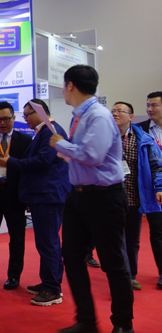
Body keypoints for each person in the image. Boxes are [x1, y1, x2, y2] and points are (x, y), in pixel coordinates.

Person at [50, 65, 134, 333]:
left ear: (70, 86)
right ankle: (86, 320)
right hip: (78, 196)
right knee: (72, 256)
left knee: (112, 262)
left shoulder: (97, 115)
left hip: (104, 197)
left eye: (63, 86)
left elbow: (92, 155)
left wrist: (60, 144)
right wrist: (68, 151)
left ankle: (123, 324)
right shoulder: (81, 115)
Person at [0, 99, 70, 306]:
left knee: (48, 242)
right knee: (46, 242)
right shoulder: (43, 131)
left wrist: (10, 162)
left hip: (48, 195)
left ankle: (52, 289)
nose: (25, 119)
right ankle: (48, 282)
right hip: (42, 195)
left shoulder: (51, 131)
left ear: (40, 112)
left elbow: (43, 160)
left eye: (28, 115)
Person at [0, 101, 31, 290]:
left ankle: (14, 276)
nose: (2, 123)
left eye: (6, 119)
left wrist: (28, 197)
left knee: (17, 238)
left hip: (15, 195)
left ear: (14, 118)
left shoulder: (25, 140)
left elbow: (28, 169)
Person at [114, 100, 162, 290]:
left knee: (132, 240)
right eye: (113, 110)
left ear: (131, 117)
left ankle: (131, 275)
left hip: (134, 197)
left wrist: (159, 187)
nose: (115, 114)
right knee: (114, 240)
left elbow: (156, 166)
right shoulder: (105, 137)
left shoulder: (144, 139)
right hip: (110, 197)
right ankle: (120, 277)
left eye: (120, 111)